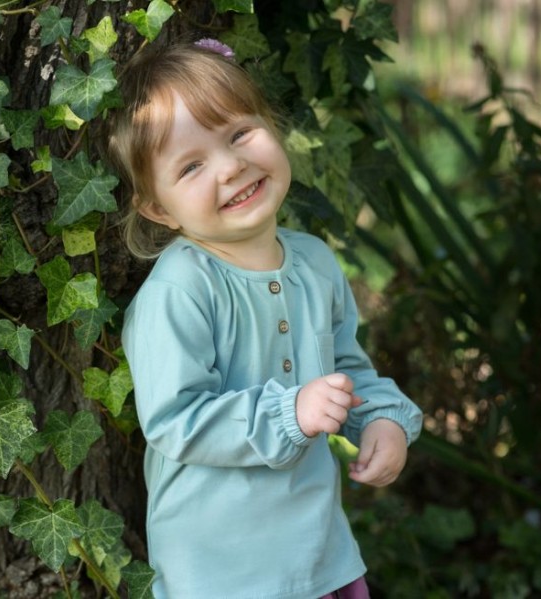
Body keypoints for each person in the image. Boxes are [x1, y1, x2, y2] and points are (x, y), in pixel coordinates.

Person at [106, 39, 423, 599]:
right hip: (222, 570)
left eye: (239, 134)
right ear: (157, 207)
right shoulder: (180, 290)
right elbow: (174, 419)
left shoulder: (316, 263)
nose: (231, 167)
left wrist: (381, 420)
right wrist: (289, 410)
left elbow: (347, 368)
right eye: (192, 166)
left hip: (316, 553)